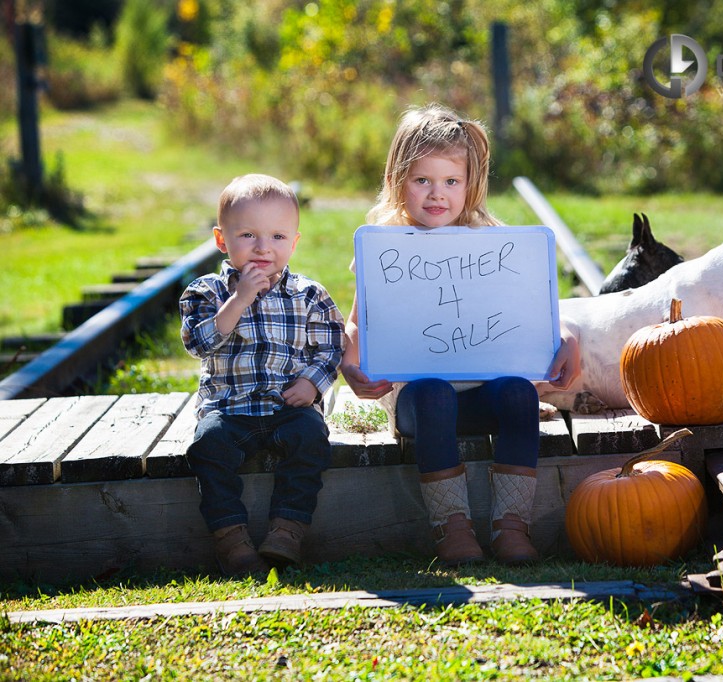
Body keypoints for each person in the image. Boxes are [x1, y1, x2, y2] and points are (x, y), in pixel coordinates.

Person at [341, 104, 581, 566]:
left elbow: (534, 311)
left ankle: (512, 525)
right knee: (432, 394)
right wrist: (351, 368)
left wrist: (567, 335)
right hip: (420, 404)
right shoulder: (385, 244)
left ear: (470, 184)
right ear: (397, 180)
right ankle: (451, 526)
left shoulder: (491, 241)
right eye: (422, 181)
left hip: (482, 398)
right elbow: (357, 323)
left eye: (451, 181)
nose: (437, 195)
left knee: (517, 394)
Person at [180, 174, 345, 576]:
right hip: (229, 407)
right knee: (208, 448)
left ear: (294, 242)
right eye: (249, 235)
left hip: (286, 406)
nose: (263, 248)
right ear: (222, 241)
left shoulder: (309, 294)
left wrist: (312, 383)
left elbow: (330, 348)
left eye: (277, 237)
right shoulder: (206, 292)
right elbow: (197, 344)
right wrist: (238, 301)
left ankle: (287, 529)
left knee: (311, 438)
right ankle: (231, 540)